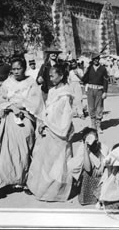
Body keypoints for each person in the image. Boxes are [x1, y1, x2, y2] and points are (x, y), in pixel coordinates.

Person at [0, 58, 45, 191]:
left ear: (24, 68)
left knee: (25, 146)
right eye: (13, 69)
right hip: (9, 116)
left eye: (18, 68)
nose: (15, 72)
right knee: (7, 149)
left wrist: (20, 106)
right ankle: (8, 179)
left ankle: (23, 178)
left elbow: (35, 101)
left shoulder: (30, 82)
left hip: (25, 116)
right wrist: (11, 106)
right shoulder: (7, 83)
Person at [27, 63, 75, 202]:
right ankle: (44, 189)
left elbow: (65, 116)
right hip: (49, 128)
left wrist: (60, 129)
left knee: (58, 163)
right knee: (45, 161)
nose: (50, 78)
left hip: (58, 130)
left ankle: (56, 191)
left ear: (61, 76)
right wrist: (43, 122)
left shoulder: (65, 94)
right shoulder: (53, 90)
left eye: (53, 75)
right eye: (49, 76)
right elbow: (47, 109)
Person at [71, 127, 109, 206]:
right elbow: (87, 168)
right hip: (88, 175)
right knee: (86, 173)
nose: (94, 142)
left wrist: (102, 165)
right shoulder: (82, 149)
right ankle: (89, 197)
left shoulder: (102, 147)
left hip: (100, 174)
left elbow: (107, 159)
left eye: (96, 139)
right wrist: (86, 151)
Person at [82, 53, 109, 134]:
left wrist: (105, 92)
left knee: (99, 108)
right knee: (91, 107)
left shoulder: (103, 69)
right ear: (92, 60)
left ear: (99, 59)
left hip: (99, 90)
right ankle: (93, 125)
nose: (96, 60)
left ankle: (98, 125)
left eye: (97, 58)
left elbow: (105, 81)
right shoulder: (89, 68)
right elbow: (84, 79)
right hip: (90, 90)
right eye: (94, 59)